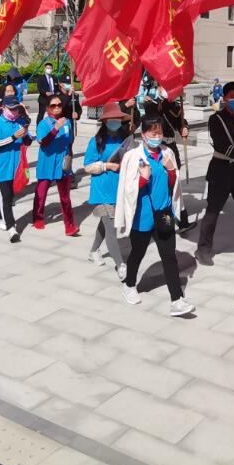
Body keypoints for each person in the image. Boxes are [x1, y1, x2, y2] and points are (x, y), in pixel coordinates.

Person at [116, 114, 195, 317]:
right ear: (143, 135)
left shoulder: (168, 153)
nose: (157, 136)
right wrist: (142, 180)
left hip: (164, 214)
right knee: (137, 253)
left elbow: (173, 186)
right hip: (142, 217)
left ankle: (176, 300)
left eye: (159, 132)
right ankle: (130, 284)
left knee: (169, 257)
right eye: (153, 132)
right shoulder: (132, 157)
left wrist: (171, 172)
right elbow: (127, 189)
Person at [195, 81, 234, 266]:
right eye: (231, 96)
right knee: (212, 213)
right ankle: (203, 249)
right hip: (221, 170)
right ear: (224, 98)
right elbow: (222, 146)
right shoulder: (216, 119)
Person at [83, 102, 131, 279]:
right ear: (105, 121)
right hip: (102, 189)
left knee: (106, 223)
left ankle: (93, 251)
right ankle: (121, 265)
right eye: (113, 119)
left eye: (118, 119)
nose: (116, 122)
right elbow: (87, 166)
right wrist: (106, 165)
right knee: (111, 228)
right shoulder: (96, 141)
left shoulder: (125, 138)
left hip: (120, 189)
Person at [31, 93, 78, 235]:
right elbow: (43, 142)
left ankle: (69, 225)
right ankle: (38, 218)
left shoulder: (67, 122)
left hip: (62, 164)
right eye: (53, 105)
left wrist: (69, 157)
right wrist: (56, 128)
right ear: (47, 108)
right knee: (41, 193)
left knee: (65, 197)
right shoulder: (43, 124)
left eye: (59, 105)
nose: (57, 108)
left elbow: (70, 141)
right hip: (47, 162)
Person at [0, 95, 30, 242]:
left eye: (16, 109)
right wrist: (13, 137)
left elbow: (28, 141)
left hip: (16, 168)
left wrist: (26, 134)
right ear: (3, 108)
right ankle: (12, 229)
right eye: (10, 109)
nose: (13, 112)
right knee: (5, 198)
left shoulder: (19, 122)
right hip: (1, 169)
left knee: (9, 197)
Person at [154, 93, 193, 232]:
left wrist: (184, 128)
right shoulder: (152, 105)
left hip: (171, 148)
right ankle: (168, 220)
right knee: (163, 187)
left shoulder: (176, 106)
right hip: (158, 148)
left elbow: (179, 123)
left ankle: (181, 221)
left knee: (174, 184)